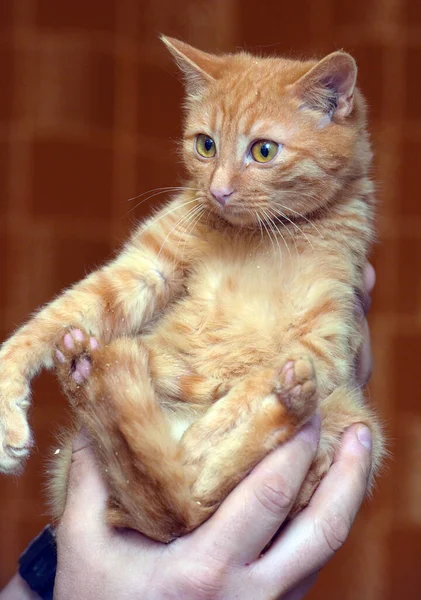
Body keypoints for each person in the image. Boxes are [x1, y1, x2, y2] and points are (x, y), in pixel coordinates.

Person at [0, 266, 376, 600]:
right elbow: (141, 273)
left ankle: (141, 451)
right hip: (185, 439)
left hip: (155, 468)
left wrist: (60, 567)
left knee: (341, 423)